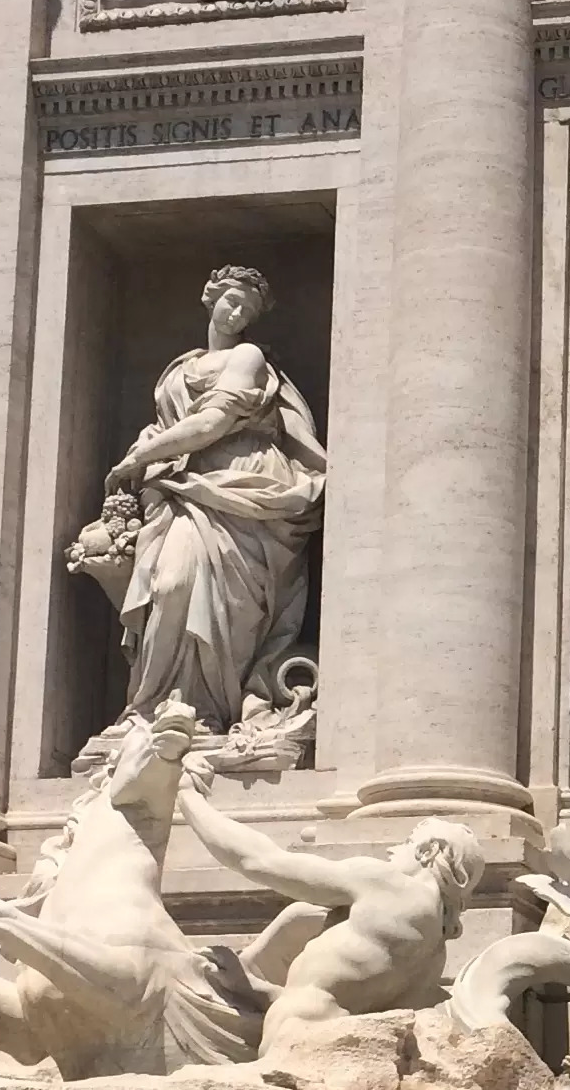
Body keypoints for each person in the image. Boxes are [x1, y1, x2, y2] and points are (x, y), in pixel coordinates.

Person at [80, 265, 326, 735]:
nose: (237, 312)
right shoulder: (180, 366)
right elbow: (169, 425)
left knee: (205, 593)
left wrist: (139, 458)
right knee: (169, 586)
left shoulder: (248, 357)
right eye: (231, 300)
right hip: (182, 485)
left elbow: (211, 424)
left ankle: (206, 712)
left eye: (248, 309)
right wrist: (151, 458)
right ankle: (156, 709)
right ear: (210, 298)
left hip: (239, 483)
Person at [169, 787, 482, 1043]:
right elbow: (332, 1007)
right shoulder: (433, 956)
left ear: (428, 852)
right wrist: (249, 987)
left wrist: (187, 797)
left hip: (295, 1047)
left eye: (405, 843)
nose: (391, 851)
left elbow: (258, 860)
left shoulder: (388, 885)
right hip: (322, 1049)